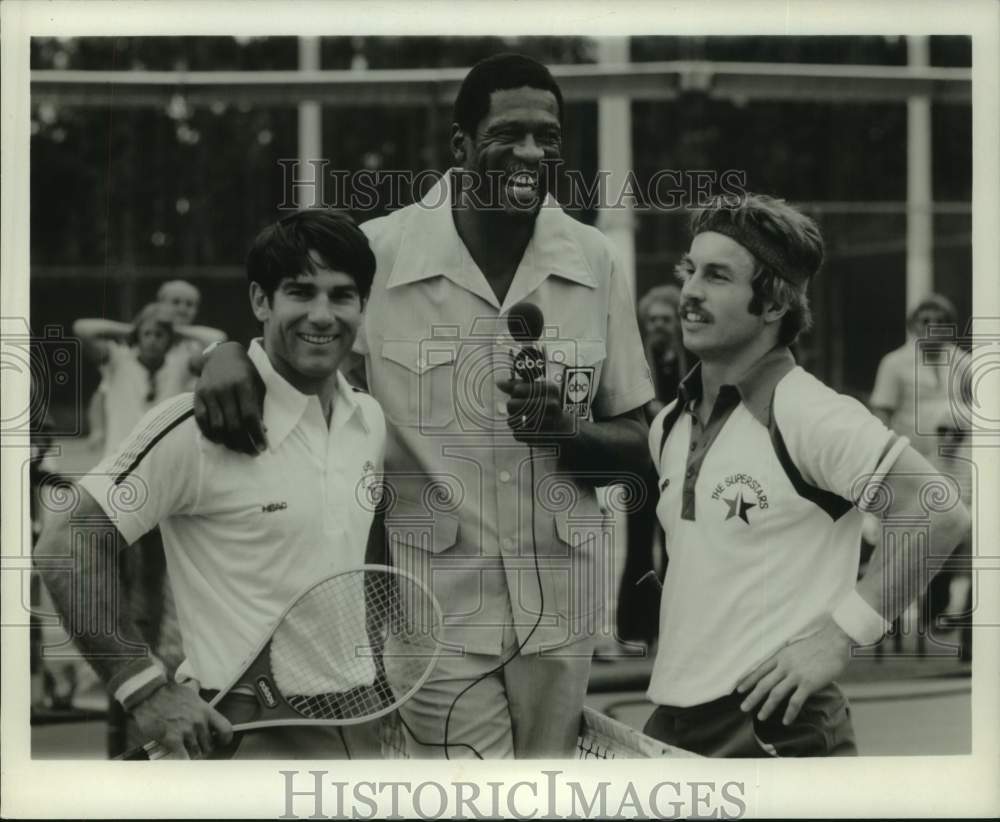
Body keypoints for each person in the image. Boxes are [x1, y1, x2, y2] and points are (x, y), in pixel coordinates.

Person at [193, 53, 654, 758]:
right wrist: (225, 353)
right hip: (431, 620)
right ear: (461, 144)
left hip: (563, 616)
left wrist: (569, 434)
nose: (532, 152)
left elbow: (640, 441)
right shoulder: (381, 252)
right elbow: (296, 360)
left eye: (549, 136)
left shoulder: (593, 259)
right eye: (509, 133)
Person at [34, 210, 386, 759]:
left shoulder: (368, 419)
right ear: (260, 302)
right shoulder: (195, 426)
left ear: (363, 306)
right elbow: (64, 544)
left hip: (360, 722)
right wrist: (144, 688)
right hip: (248, 728)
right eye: (300, 292)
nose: (322, 315)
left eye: (342, 295)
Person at [641, 194, 971, 757]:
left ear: (771, 305)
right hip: (674, 725)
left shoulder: (808, 410)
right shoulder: (669, 423)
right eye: (689, 270)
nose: (691, 291)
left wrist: (843, 634)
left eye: (718, 276)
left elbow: (936, 508)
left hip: (776, 728)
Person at [612, 285, 691, 652]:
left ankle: (678, 629)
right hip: (643, 465)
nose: (658, 326)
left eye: (665, 319)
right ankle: (637, 630)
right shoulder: (635, 359)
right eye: (652, 320)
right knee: (641, 547)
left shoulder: (691, 357)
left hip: (682, 463)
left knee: (680, 547)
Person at [81, 280, 225, 452]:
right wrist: (98, 430)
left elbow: (218, 339)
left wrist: (174, 329)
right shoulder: (129, 352)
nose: (182, 308)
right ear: (160, 303)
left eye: (190, 304)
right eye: (176, 302)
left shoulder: (193, 349)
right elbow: (102, 394)